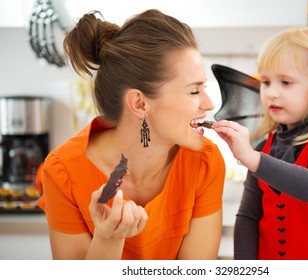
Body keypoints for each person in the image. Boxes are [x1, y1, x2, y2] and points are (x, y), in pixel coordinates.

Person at [38, 9, 225, 260]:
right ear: (139, 104)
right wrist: (108, 239)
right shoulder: (63, 172)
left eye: (204, 88)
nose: (209, 104)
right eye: (194, 91)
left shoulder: (205, 163)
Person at [212, 26, 308, 259]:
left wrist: (251, 158)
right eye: (265, 82)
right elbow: (248, 217)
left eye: (285, 82)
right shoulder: (265, 146)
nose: (271, 92)